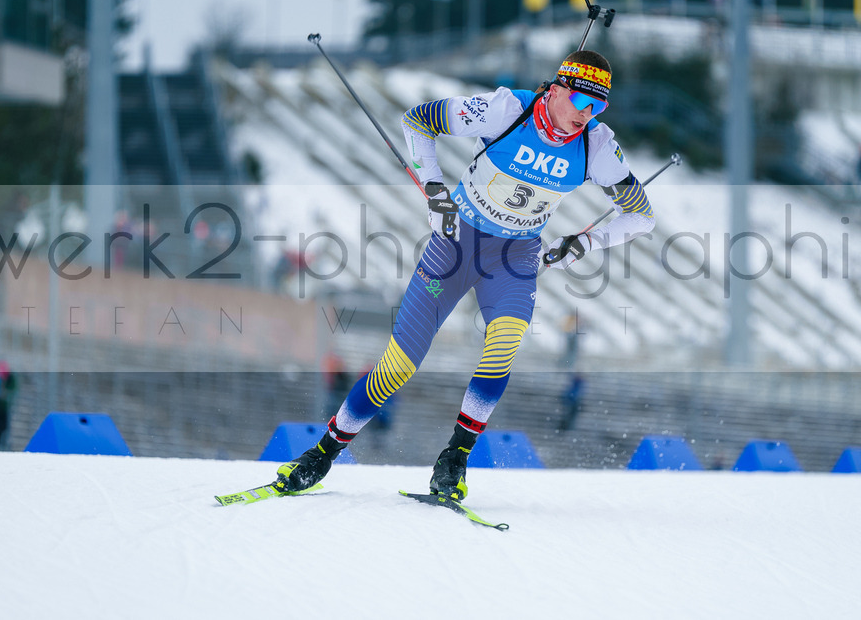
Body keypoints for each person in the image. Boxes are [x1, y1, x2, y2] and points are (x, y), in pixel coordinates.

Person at [270, 49, 655, 500]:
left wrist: (587, 242)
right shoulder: (506, 111)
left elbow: (640, 216)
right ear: (556, 90)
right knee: (398, 366)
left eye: (599, 107)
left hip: (514, 258)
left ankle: (455, 458)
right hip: (455, 246)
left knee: (504, 344)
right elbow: (417, 121)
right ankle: (322, 454)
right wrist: (435, 189)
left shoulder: (597, 146)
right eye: (582, 103)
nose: (587, 116)